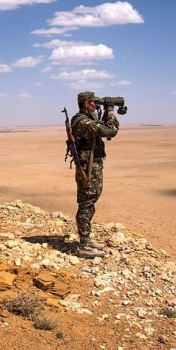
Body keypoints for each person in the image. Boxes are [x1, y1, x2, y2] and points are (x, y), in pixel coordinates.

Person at [71, 91, 119, 259]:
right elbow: (111, 131)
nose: (95, 105)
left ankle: (86, 238)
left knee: (90, 200)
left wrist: (105, 112)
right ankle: (84, 244)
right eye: (93, 103)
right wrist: (111, 112)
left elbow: (101, 128)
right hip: (88, 169)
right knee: (87, 203)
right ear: (86, 104)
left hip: (92, 167)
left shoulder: (87, 120)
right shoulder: (84, 122)